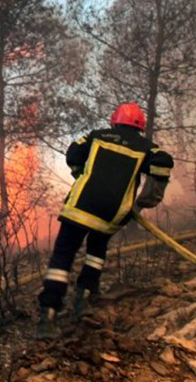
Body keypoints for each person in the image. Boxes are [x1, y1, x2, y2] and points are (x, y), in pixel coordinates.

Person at [36, 102, 173, 338]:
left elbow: (73, 154)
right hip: (111, 213)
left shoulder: (96, 137)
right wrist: (147, 200)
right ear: (140, 126)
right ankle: (85, 297)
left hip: (79, 207)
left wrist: (81, 175)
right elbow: (163, 164)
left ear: (114, 121)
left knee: (62, 256)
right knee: (96, 251)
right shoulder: (147, 147)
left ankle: (48, 314)